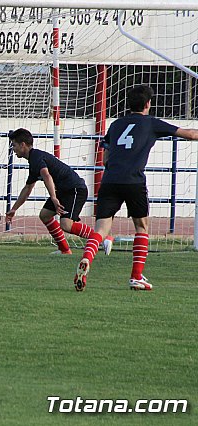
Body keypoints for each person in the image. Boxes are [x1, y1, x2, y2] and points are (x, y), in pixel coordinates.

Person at [74, 85, 198, 291]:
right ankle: (136, 277)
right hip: (134, 181)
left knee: (101, 230)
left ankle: (87, 258)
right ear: (148, 104)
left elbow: (105, 157)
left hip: (110, 180)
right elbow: (191, 134)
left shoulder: (116, 125)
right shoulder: (150, 123)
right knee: (141, 227)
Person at [5, 128, 94, 255]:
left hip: (74, 190)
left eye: (14, 145)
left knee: (67, 225)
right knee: (45, 215)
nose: (13, 149)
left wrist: (53, 197)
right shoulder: (33, 159)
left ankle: (101, 237)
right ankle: (64, 250)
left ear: (22, 145)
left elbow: (46, 175)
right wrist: (14, 209)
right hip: (63, 191)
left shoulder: (36, 158)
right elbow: (27, 188)